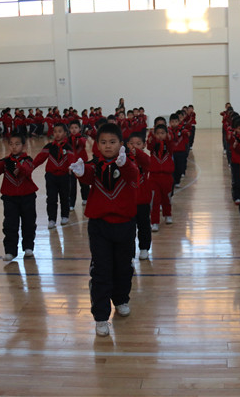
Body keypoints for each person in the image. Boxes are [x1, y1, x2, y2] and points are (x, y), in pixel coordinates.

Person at [69, 123, 139, 337]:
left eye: (112, 142)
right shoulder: (95, 164)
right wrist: (81, 174)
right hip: (99, 226)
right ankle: (100, 316)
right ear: (97, 145)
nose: (108, 146)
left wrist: (125, 164)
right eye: (103, 142)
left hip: (125, 224)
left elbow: (133, 176)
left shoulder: (128, 163)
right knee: (101, 270)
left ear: (121, 144)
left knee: (123, 268)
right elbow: (89, 175)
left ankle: (121, 299)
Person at [0, 133, 38, 262]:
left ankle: (28, 247)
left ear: (24, 146)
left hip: (27, 197)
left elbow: (27, 170)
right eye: (11, 144)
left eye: (17, 144)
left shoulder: (28, 160)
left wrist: (20, 167)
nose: (14, 147)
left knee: (29, 223)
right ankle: (10, 250)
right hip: (10, 198)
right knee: (10, 225)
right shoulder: (5, 161)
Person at [33, 123, 74, 229]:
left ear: (65, 133)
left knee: (65, 197)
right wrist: (30, 167)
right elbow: (39, 158)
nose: (57, 134)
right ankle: (52, 219)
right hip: (51, 177)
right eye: (55, 131)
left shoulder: (68, 147)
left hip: (64, 176)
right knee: (51, 198)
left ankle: (65, 216)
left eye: (60, 131)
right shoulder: (49, 147)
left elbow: (72, 160)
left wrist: (72, 168)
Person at [127, 132, 152, 260]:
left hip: (143, 200)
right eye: (131, 143)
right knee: (128, 230)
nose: (134, 146)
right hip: (128, 202)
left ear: (144, 145)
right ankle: (129, 254)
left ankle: (144, 248)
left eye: (138, 144)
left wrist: (138, 153)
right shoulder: (124, 159)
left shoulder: (144, 158)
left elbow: (148, 162)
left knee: (144, 226)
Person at [147, 124, 175, 231]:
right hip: (154, 177)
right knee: (154, 200)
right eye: (157, 133)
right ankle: (154, 222)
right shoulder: (153, 147)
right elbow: (149, 144)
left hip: (167, 177)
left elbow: (171, 142)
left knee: (166, 198)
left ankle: (168, 214)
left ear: (166, 134)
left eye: (162, 133)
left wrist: (168, 136)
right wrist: (151, 134)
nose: (160, 135)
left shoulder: (169, 147)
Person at [226, 117, 240, 205]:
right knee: (236, 180)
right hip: (236, 162)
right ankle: (236, 196)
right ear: (235, 129)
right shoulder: (234, 137)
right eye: (239, 129)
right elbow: (229, 141)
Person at [68, 120, 89, 210]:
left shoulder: (82, 138)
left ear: (80, 129)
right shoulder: (67, 140)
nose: (74, 130)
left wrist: (78, 138)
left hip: (82, 164)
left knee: (84, 183)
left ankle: (86, 198)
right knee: (72, 186)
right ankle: (71, 203)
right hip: (72, 165)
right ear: (69, 129)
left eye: (76, 128)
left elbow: (82, 143)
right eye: (72, 128)